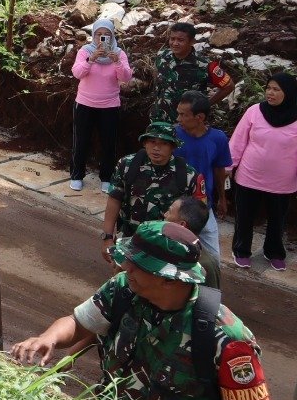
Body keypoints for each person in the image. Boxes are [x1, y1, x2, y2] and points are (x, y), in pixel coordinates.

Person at [10, 220, 268, 400]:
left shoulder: (227, 339)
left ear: (169, 279)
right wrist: (48, 338)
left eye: (137, 265)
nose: (125, 268)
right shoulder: (123, 290)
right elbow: (79, 322)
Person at [101, 121, 201, 265]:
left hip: (166, 247)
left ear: (173, 146)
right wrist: (107, 237)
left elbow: (193, 216)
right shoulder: (127, 165)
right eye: (152, 141)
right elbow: (114, 199)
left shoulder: (187, 175)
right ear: (144, 143)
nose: (156, 148)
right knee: (123, 281)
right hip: (129, 240)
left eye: (164, 143)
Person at [228, 72, 297, 271]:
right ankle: (241, 250)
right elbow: (238, 141)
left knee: (277, 220)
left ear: (289, 92)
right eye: (268, 88)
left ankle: (274, 251)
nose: (270, 93)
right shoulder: (254, 111)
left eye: (276, 89)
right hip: (249, 176)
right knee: (244, 217)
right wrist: (228, 166)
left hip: (282, 182)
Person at [69, 18, 133, 192]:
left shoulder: (118, 53)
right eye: (98, 34)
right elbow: (77, 72)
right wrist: (91, 59)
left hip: (109, 105)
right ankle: (76, 175)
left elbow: (126, 78)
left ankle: (107, 177)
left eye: (106, 34)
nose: (102, 38)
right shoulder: (85, 51)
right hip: (84, 103)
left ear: (112, 36)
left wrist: (117, 62)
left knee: (109, 143)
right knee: (81, 141)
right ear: (93, 35)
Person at [174, 90, 230, 261]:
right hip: (175, 207)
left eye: (183, 115)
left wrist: (222, 198)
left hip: (204, 206)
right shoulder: (172, 135)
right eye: (178, 114)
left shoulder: (218, 139)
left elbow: (219, 171)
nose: (178, 119)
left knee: (213, 259)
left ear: (200, 117)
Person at [150, 21, 232, 125]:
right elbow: (156, 74)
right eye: (172, 39)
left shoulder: (205, 65)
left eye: (180, 40)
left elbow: (229, 86)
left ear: (192, 41)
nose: (175, 43)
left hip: (187, 123)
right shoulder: (162, 56)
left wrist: (206, 104)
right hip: (159, 118)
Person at [166, 195, 221, 291]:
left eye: (169, 212)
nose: (165, 215)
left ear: (182, 225)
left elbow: (208, 303)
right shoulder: (163, 243)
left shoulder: (205, 265)